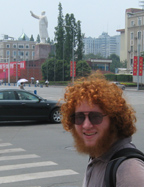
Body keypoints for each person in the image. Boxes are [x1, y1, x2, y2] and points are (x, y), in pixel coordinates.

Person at [61, 72, 144, 187]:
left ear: (114, 119)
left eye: (95, 117)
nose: (86, 125)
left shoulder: (128, 170)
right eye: (79, 117)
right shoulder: (98, 155)